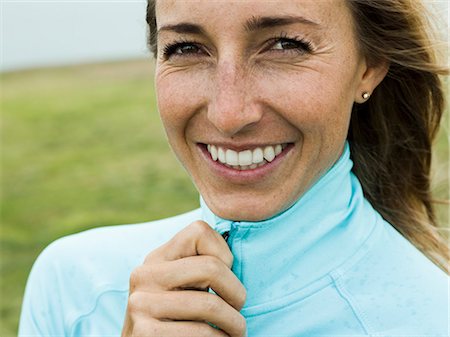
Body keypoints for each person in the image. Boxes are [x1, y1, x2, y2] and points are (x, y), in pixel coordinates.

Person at [19, 0, 449, 336]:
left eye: (285, 44)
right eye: (187, 48)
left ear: (368, 67)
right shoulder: (75, 285)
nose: (228, 114)